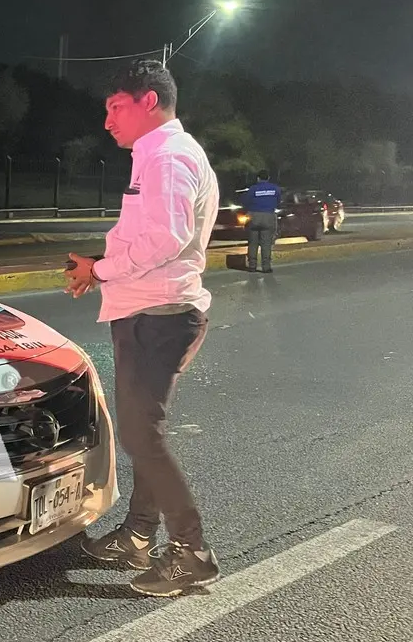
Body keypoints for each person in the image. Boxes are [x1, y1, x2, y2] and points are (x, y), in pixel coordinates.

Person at [64, 59, 221, 597]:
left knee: (139, 433)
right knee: (143, 429)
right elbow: (146, 234)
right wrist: (97, 266)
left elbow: (166, 239)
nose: (107, 120)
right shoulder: (156, 156)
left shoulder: (169, 157)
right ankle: (137, 535)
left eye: (116, 107)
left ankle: (191, 550)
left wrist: (102, 270)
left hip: (159, 315)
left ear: (148, 101)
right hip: (152, 309)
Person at [241, 170, 282, 272]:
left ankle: (252, 266)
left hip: (254, 216)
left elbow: (246, 202)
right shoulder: (275, 188)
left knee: (253, 242)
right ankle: (266, 267)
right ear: (268, 178)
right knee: (266, 243)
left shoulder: (253, 189)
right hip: (269, 216)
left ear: (258, 178)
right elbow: (278, 202)